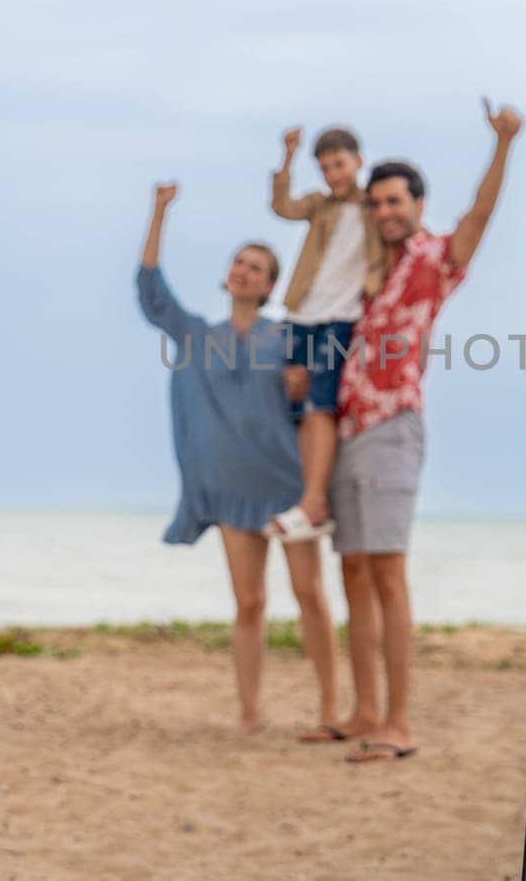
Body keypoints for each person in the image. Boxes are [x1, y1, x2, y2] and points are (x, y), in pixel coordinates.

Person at [330, 99, 524, 763]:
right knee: (352, 571)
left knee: (387, 572)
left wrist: (502, 145)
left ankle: (400, 721)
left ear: (416, 203)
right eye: (377, 202)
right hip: (347, 428)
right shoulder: (364, 271)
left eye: (395, 201)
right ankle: (362, 709)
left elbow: (479, 214)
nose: (385, 211)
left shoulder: (434, 258)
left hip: (394, 428)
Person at [136, 182, 341, 738]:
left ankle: (329, 707)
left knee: (309, 596)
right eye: (239, 263)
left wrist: (300, 389)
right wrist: (159, 212)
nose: (244, 271)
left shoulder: (286, 338)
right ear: (228, 275)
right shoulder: (197, 336)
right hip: (231, 490)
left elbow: (316, 400)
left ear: (271, 285)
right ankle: (249, 712)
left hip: (287, 485)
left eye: (256, 267)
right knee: (249, 603)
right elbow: (151, 291)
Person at [267, 125, 385, 540]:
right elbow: (282, 206)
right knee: (297, 403)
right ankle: (307, 498)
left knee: (322, 403)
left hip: (342, 317)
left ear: (358, 160)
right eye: (325, 167)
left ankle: (315, 501)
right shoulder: (320, 205)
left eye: (339, 164)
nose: (333, 174)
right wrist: (287, 159)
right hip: (303, 313)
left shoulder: (375, 208)